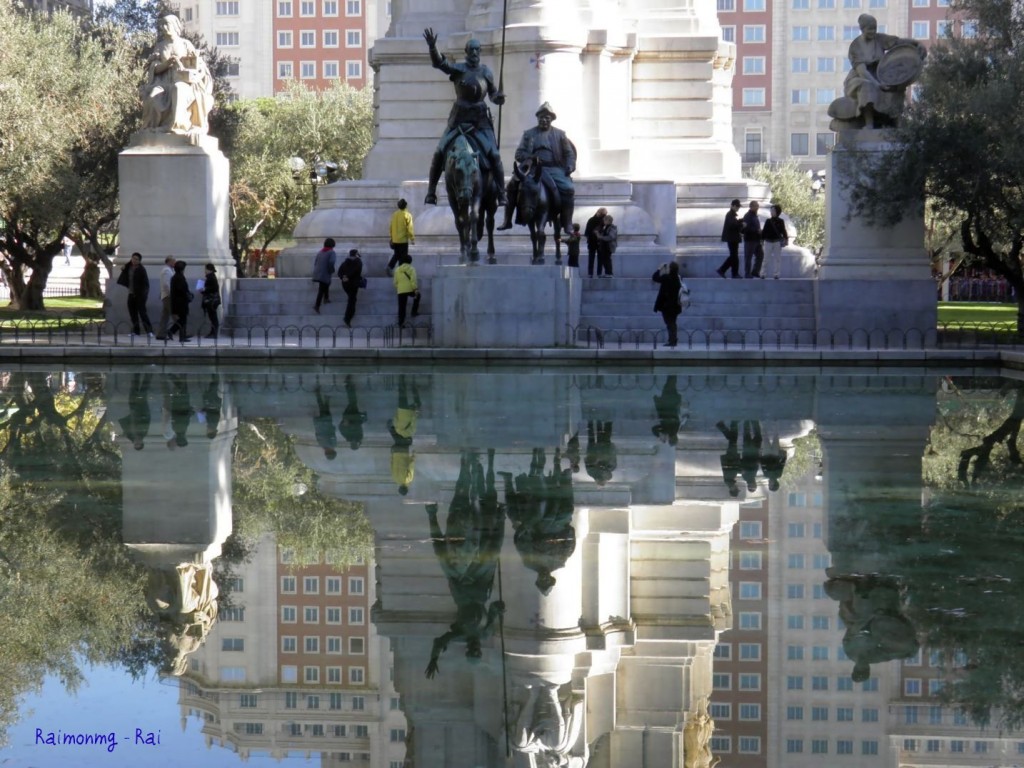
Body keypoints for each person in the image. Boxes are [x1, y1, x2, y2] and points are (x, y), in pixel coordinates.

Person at [422, 29, 508, 207]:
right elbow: (440, 63)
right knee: (439, 152)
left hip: (480, 122)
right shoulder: (459, 69)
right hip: (459, 120)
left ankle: (501, 193)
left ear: (480, 52)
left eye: (477, 49)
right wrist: (432, 47)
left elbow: (492, 94)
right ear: (466, 52)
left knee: (494, 155)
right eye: (471, 49)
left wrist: (497, 98)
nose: (474, 53)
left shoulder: (486, 72)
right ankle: (431, 192)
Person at [830, 14, 926, 130]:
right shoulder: (855, 46)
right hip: (858, 79)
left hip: (880, 75)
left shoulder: (879, 38)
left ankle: (896, 122)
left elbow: (897, 42)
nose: (873, 31)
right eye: (869, 29)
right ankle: (869, 123)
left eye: (874, 28)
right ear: (862, 29)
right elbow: (862, 71)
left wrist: (916, 43)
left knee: (896, 87)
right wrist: (878, 85)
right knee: (867, 86)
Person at [498, 103, 577, 236]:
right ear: (537, 118)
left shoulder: (560, 134)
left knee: (569, 189)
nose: (544, 120)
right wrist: (531, 157)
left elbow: (569, 154)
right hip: (532, 168)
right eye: (541, 117)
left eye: (547, 118)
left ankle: (567, 222)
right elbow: (519, 154)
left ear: (551, 119)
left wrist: (570, 165)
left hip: (553, 168)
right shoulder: (529, 134)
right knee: (512, 185)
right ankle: (507, 220)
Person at [140, 14, 214, 135]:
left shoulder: (185, 44)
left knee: (178, 88)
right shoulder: (160, 46)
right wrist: (168, 63)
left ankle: (177, 126)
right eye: (162, 25)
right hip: (164, 84)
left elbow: (197, 64)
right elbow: (154, 69)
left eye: (167, 24)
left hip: (183, 82)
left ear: (175, 26)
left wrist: (190, 61)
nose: (164, 27)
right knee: (153, 96)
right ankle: (152, 129)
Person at [387, 374, 421, 495]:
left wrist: (414, 456)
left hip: (404, 449)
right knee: (396, 434)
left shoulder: (408, 480)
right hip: (396, 450)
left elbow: (411, 466)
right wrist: (392, 454)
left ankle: (410, 384)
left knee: (410, 405)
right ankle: (401, 380)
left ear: (406, 488)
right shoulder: (395, 479)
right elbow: (391, 465)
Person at [119, 252, 155, 338]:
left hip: (140, 295)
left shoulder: (141, 269)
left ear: (139, 261)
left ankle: (149, 331)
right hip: (131, 293)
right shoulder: (129, 267)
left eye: (136, 259)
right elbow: (125, 268)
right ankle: (136, 331)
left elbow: (145, 284)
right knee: (133, 314)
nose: (134, 260)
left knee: (142, 313)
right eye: (133, 258)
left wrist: (143, 295)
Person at [652, 261, 684, 348]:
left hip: (667, 306)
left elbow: (655, 278)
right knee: (672, 322)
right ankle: (672, 339)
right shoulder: (678, 278)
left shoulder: (666, 277)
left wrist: (660, 269)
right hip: (676, 305)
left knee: (670, 323)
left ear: (670, 269)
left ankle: (672, 340)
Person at [165, 260, 192, 342]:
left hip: (178, 302)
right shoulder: (179, 278)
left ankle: (180, 334)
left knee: (182, 319)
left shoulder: (176, 277)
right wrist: (188, 295)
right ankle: (178, 334)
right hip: (180, 302)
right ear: (181, 269)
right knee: (183, 319)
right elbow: (182, 290)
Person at [761, 204, 789, 280]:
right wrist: (762, 239)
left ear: (777, 212)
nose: (771, 212)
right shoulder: (768, 221)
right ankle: (763, 273)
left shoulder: (781, 221)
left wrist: (786, 239)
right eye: (771, 210)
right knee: (766, 258)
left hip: (777, 241)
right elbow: (764, 231)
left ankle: (776, 274)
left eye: (773, 210)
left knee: (777, 259)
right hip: (768, 241)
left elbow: (783, 230)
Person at [585, 420, 617, 486]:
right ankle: (597, 421)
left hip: (599, 450)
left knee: (601, 434)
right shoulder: (593, 473)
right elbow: (613, 458)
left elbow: (613, 457)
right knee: (597, 435)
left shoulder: (593, 473)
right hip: (600, 450)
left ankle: (601, 420)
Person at [716, 199, 742, 278]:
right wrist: (741, 224)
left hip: (733, 238)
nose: (738, 208)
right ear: (732, 206)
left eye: (738, 207)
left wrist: (739, 221)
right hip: (732, 239)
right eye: (737, 206)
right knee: (734, 256)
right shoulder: (730, 215)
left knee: (734, 256)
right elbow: (732, 225)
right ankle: (726, 271)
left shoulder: (732, 215)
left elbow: (734, 224)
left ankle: (730, 272)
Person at [387, 199, 415, 274]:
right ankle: (401, 272)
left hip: (395, 240)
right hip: (403, 240)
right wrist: (412, 238)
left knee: (396, 255)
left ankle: (390, 266)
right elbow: (410, 228)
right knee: (403, 257)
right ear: (406, 206)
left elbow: (390, 227)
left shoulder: (394, 214)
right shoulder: (407, 215)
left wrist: (392, 237)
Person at [337, 248, 363, 328]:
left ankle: (350, 314)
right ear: (356, 254)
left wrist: (343, 277)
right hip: (353, 284)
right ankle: (347, 318)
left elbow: (339, 272)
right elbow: (356, 271)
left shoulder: (344, 262)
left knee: (352, 299)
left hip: (345, 284)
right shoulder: (358, 262)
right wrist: (348, 276)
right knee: (352, 300)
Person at [311, 237, 337, 314]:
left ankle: (326, 298)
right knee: (322, 288)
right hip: (325, 272)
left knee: (326, 284)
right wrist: (331, 270)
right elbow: (331, 262)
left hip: (318, 272)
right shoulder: (331, 252)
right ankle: (317, 305)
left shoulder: (320, 252)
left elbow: (315, 262)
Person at [393, 253, 419, 327]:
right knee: (418, 296)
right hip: (410, 289)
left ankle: (401, 323)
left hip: (401, 291)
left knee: (402, 307)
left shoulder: (397, 269)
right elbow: (413, 280)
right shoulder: (411, 269)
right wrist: (415, 289)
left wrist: (399, 288)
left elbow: (395, 282)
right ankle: (414, 312)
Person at [313, 385, 338, 460]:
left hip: (326, 423)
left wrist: (332, 428)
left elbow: (332, 435)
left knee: (324, 409)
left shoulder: (332, 444)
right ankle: (324, 397)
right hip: (321, 423)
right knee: (322, 408)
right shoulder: (323, 445)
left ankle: (321, 396)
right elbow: (317, 435)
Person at [741, 201, 762, 278]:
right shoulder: (748, 216)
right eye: (756, 206)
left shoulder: (755, 216)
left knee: (760, 255)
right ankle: (747, 273)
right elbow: (745, 228)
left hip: (757, 239)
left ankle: (755, 271)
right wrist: (756, 230)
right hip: (750, 240)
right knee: (748, 257)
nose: (757, 207)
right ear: (751, 207)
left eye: (758, 205)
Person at [584, 208, 607, 277]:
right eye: (603, 214)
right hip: (593, 241)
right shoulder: (592, 220)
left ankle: (595, 273)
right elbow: (587, 232)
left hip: (598, 242)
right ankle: (592, 273)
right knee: (592, 258)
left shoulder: (602, 220)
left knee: (598, 258)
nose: (603, 216)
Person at [157, 256, 176, 339]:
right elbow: (166, 284)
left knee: (165, 316)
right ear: (168, 261)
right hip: (168, 296)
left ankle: (161, 334)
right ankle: (183, 331)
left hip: (166, 295)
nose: (175, 262)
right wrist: (171, 294)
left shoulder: (169, 270)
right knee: (175, 315)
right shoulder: (166, 271)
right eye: (173, 261)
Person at [200, 263, 220, 339]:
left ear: (209, 270)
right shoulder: (211, 277)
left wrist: (204, 289)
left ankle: (214, 333)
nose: (204, 271)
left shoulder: (211, 277)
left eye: (205, 269)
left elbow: (213, 288)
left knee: (213, 317)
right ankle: (213, 332)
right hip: (212, 301)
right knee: (212, 317)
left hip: (211, 301)